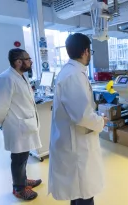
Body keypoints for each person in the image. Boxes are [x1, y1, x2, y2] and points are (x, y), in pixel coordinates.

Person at [48, 33, 108, 205]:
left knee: (78, 191)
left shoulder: (71, 72)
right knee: (83, 192)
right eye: (90, 52)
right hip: (77, 147)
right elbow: (82, 115)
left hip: (73, 141)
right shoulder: (74, 75)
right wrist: (100, 121)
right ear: (85, 52)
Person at [0, 48, 42, 200]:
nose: (31, 61)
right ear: (18, 62)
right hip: (16, 126)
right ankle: (19, 188)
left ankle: (23, 181)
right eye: (28, 59)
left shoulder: (20, 76)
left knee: (24, 156)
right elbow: (0, 105)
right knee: (18, 159)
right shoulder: (6, 78)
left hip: (23, 125)